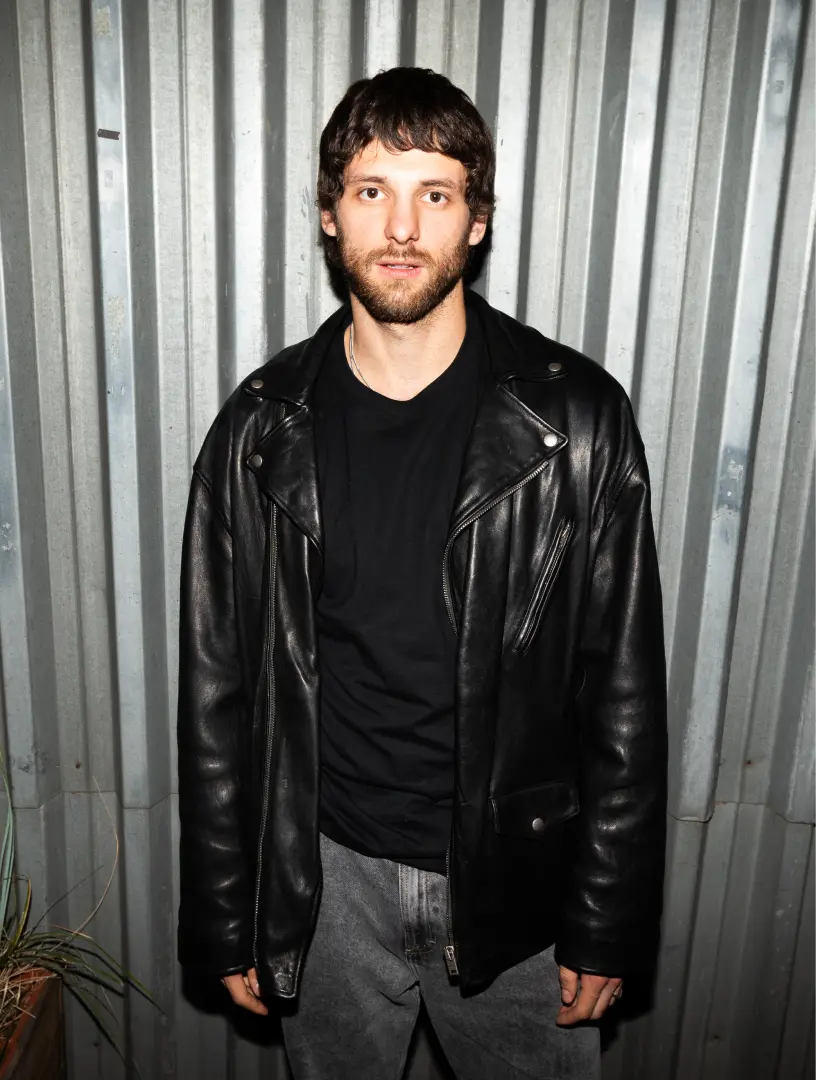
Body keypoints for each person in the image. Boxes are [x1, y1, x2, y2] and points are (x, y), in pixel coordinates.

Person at [177, 66, 668, 1080]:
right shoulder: (259, 433)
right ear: (330, 213)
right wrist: (229, 911)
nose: (402, 227)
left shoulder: (576, 422)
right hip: (323, 886)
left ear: (476, 222)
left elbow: (622, 691)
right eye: (372, 191)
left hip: (520, 887)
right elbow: (217, 697)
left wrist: (608, 914)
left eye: (434, 194)